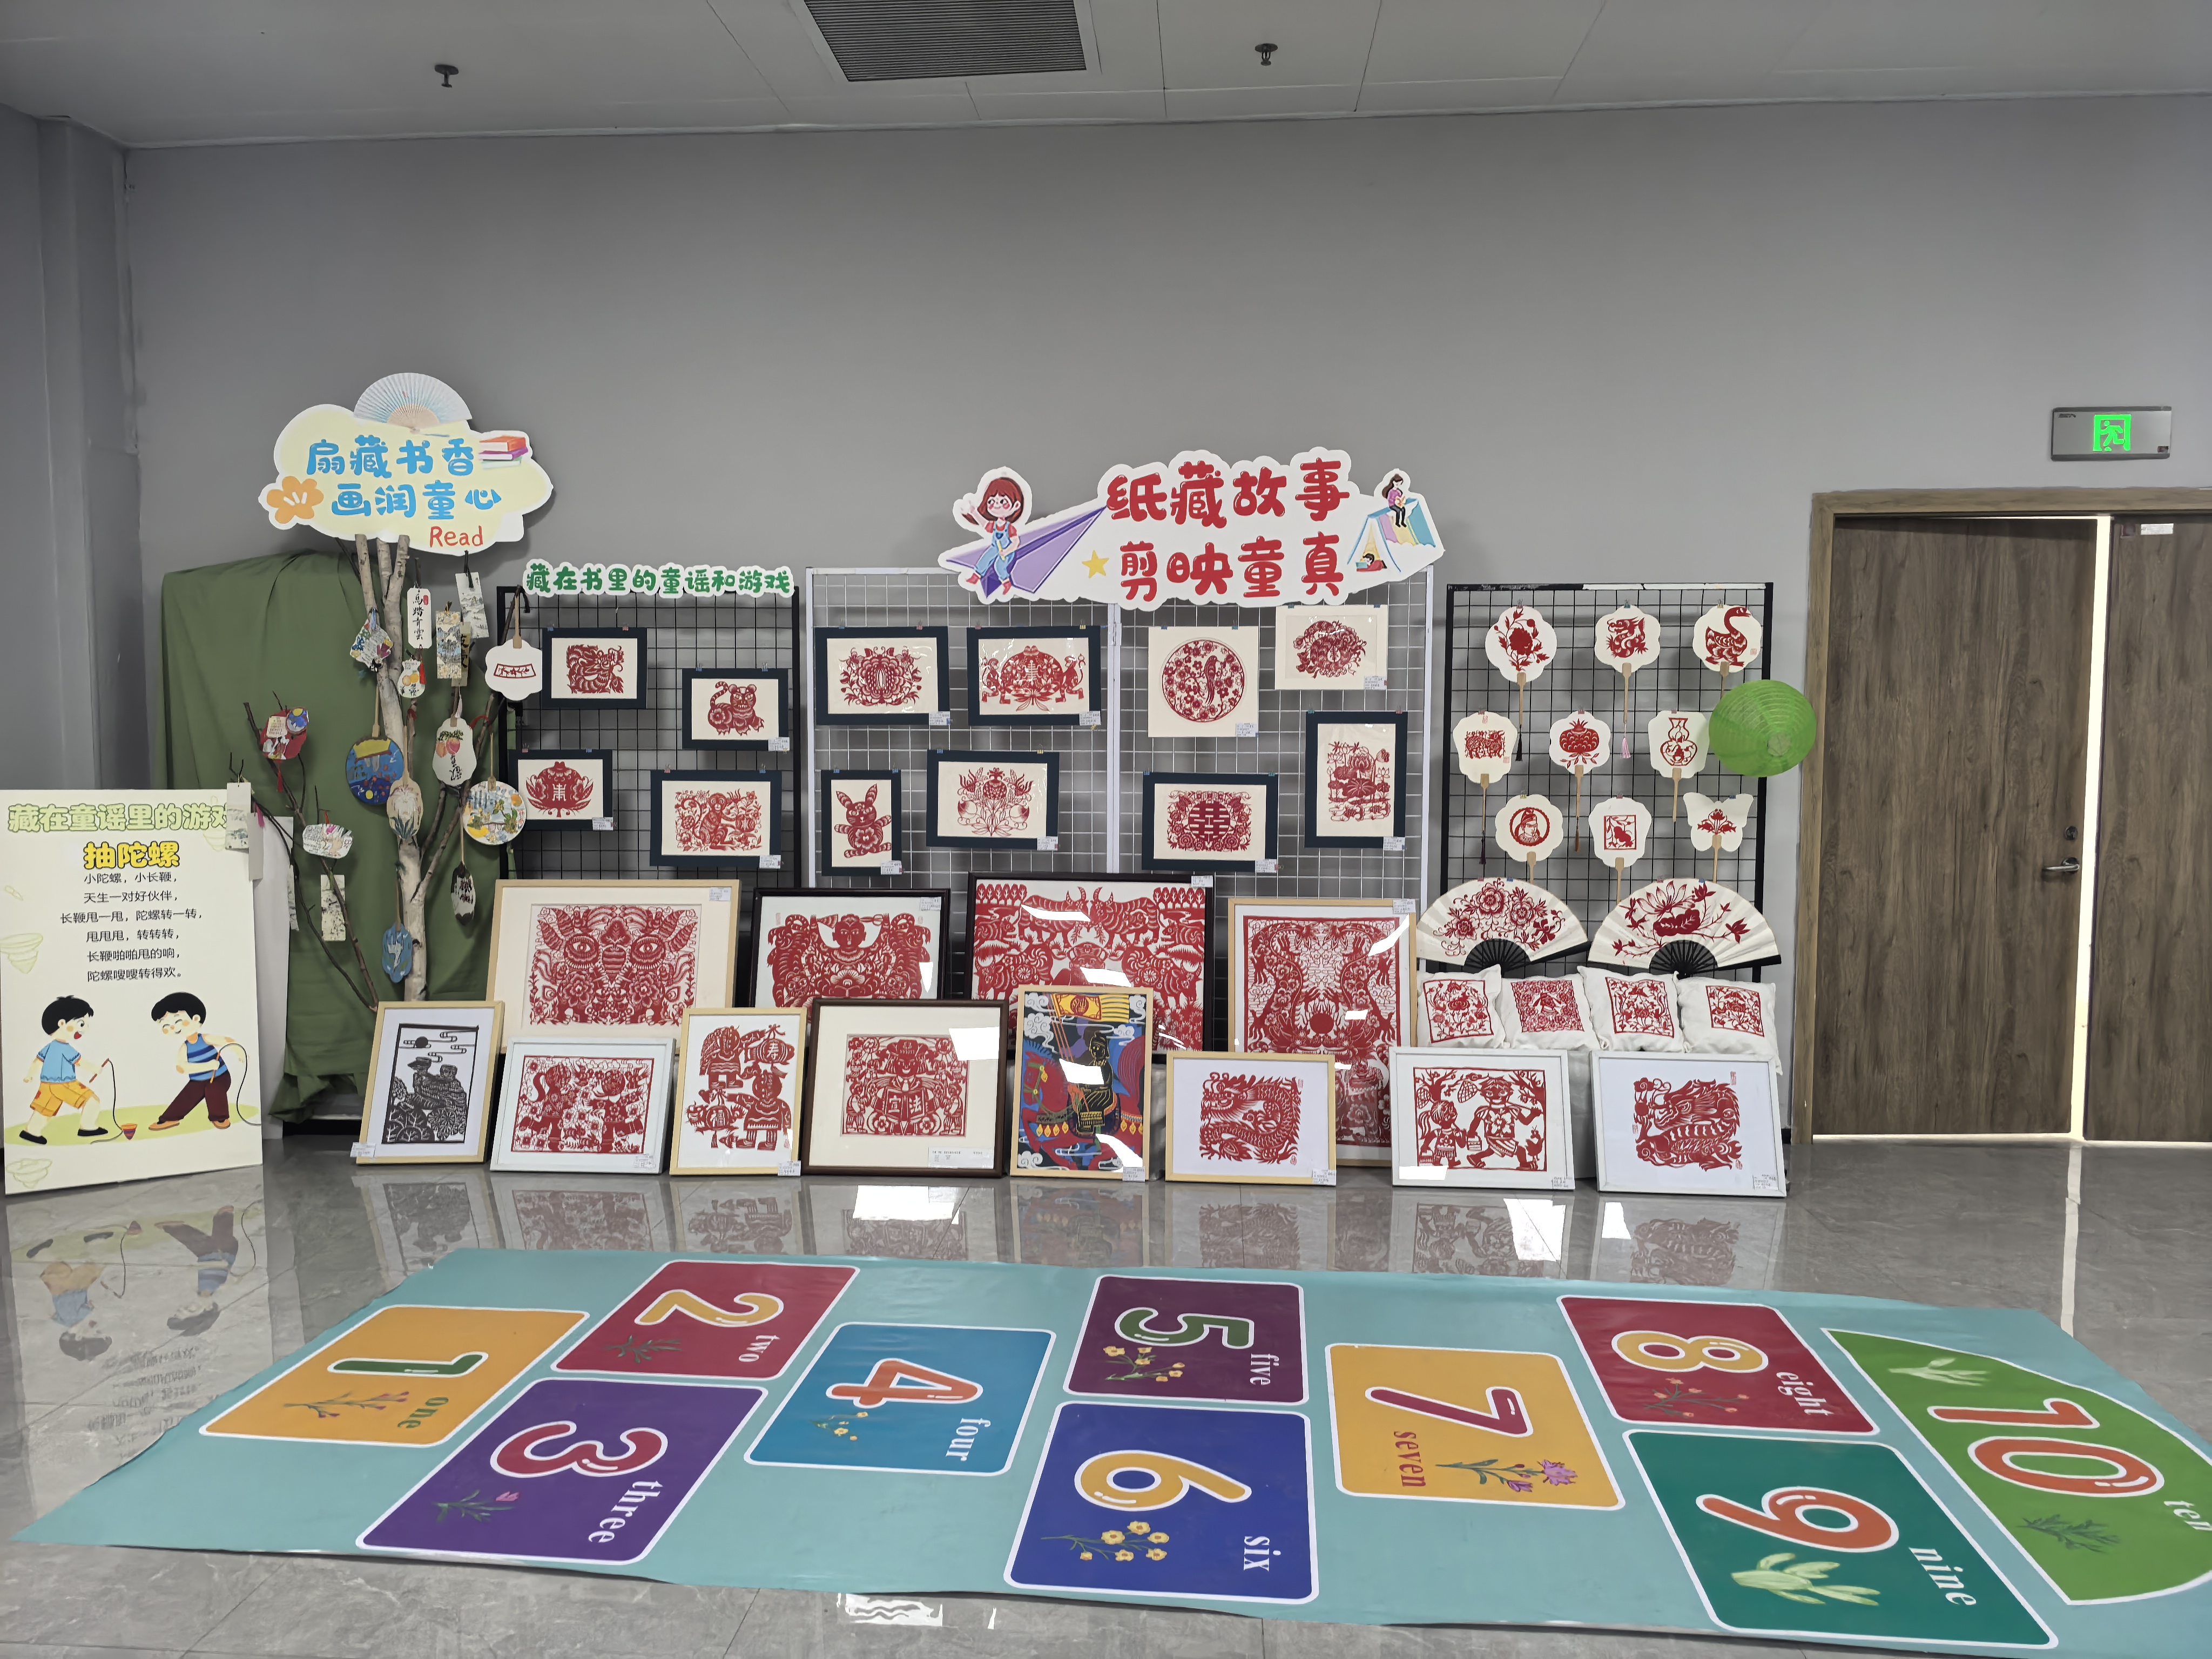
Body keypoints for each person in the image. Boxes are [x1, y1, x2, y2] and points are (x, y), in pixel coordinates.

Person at [146, 992, 239, 1132]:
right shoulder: (184, 1048)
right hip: (198, 1080)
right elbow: (182, 1068)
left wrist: (240, 1053)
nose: (172, 1028)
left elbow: (227, 1041)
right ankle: (171, 1118)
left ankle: (220, 1117)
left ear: (196, 1019)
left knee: (213, 1089)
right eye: (166, 1025)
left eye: (177, 1021)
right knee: (188, 1094)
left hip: (220, 1077)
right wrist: (208, 1066)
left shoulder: (206, 1039)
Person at [20, 995, 106, 1143]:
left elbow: (37, 1061)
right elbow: (80, 1062)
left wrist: (30, 1075)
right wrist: (95, 1069)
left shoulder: (49, 1047)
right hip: (64, 1084)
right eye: (81, 1024)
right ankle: (87, 1127)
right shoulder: (65, 1049)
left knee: (43, 1111)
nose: (85, 1029)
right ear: (62, 1023)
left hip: (46, 1085)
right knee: (92, 1101)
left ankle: (31, 1132)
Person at [159, 1207, 237, 1336]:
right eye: (191, 1309)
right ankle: (176, 1228)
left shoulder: (205, 1290)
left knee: (213, 1242)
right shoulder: (209, 1288)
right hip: (217, 1255)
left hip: (218, 1254)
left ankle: (224, 1216)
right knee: (205, 1243)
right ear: (208, 1308)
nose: (183, 1307)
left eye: (179, 1311)